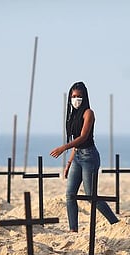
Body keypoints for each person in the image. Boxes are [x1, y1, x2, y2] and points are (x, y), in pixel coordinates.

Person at [50, 81, 119, 232]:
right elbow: (76, 143)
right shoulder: (73, 115)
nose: (76, 99)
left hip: (89, 157)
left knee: (90, 196)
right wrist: (69, 162)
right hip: (77, 157)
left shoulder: (89, 113)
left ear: (85, 97)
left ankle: (115, 223)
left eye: (79, 96)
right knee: (70, 195)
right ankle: (73, 229)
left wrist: (63, 148)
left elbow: (83, 138)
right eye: (74, 96)